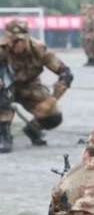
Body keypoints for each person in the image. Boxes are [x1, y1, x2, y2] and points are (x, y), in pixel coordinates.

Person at [0, 19, 73, 152]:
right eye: (13, 40)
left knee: (53, 116)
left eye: (20, 40)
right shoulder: (1, 49)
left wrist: (53, 99)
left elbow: (66, 74)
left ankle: (33, 129)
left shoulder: (39, 49)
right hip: (5, 87)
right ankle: (4, 135)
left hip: (30, 87)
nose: (16, 44)